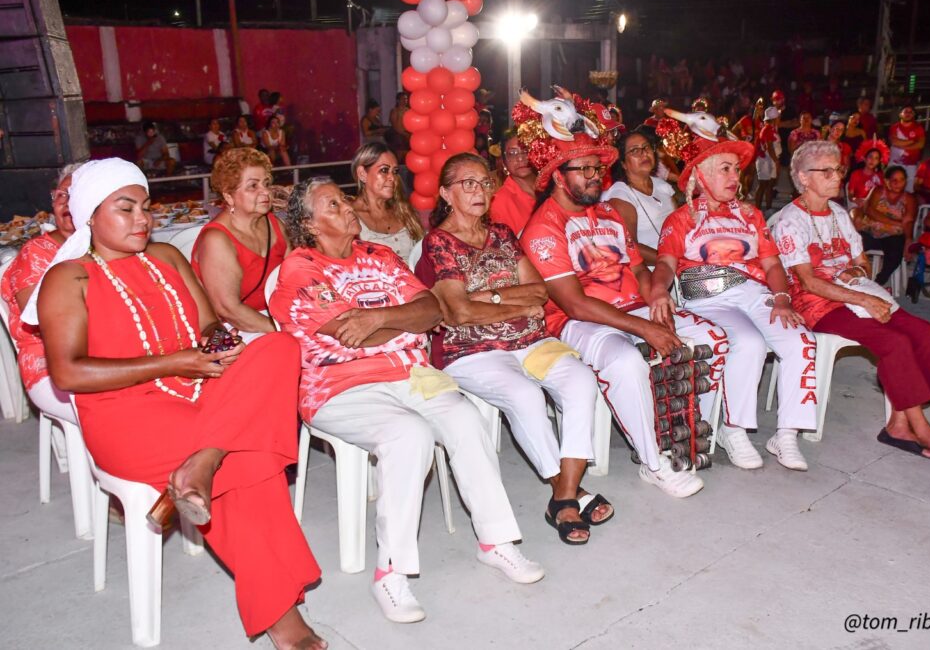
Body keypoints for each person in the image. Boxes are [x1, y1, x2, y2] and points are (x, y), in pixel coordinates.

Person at [27, 158, 326, 647]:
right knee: (253, 462)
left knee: (280, 347)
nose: (142, 219)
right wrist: (175, 363)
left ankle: (203, 461)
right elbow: (68, 372)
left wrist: (217, 343)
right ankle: (281, 616)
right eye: (126, 209)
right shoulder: (69, 278)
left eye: (145, 207)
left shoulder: (166, 256)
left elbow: (208, 323)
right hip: (126, 414)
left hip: (198, 389)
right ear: (89, 216)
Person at [270, 176, 544, 624]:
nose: (346, 208)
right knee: (408, 434)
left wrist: (377, 318)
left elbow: (432, 309)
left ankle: (497, 542)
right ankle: (390, 574)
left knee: (464, 416)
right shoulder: (301, 269)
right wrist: (402, 325)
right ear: (309, 225)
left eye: (343, 200)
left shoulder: (379, 255)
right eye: (333, 205)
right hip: (340, 386)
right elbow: (344, 336)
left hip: (411, 374)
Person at [516, 90, 731, 499]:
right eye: (585, 171)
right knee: (625, 360)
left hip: (631, 308)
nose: (596, 178)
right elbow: (574, 303)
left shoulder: (611, 213)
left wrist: (656, 299)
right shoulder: (544, 227)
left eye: (598, 170)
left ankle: (689, 435)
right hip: (576, 323)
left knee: (714, 338)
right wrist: (643, 327)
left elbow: (637, 268)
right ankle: (652, 462)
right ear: (558, 176)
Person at [417, 153, 610, 546]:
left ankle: (563, 496)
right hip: (472, 350)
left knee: (580, 379)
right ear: (445, 194)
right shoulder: (439, 243)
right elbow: (457, 311)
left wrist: (487, 296)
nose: (479, 190)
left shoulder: (503, 234)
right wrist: (516, 303)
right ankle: (571, 494)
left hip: (530, 340)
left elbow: (540, 290)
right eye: (466, 183)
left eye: (484, 182)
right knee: (524, 395)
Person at [772, 141, 930, 464]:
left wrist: (857, 273)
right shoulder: (790, 220)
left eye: (839, 169)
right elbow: (808, 282)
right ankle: (921, 427)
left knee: (924, 333)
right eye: (828, 171)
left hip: (855, 294)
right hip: (818, 305)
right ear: (804, 178)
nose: (837, 176)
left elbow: (863, 262)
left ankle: (898, 423)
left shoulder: (838, 212)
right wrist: (861, 295)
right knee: (893, 342)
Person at [650, 116, 816, 471]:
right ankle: (734, 429)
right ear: (701, 175)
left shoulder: (752, 215)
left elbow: (773, 265)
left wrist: (783, 299)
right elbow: (664, 264)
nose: (734, 177)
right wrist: (657, 292)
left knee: (801, 340)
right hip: (708, 297)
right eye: (725, 168)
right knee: (749, 343)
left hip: (755, 293)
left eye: (737, 169)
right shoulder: (680, 219)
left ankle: (786, 434)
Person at [1, 163, 84, 469]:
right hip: (50, 366)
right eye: (59, 194)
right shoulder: (37, 253)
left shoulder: (115, 246)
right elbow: (42, 323)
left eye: (74, 194)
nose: (64, 202)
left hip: (106, 358)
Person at [191, 148, 287, 341]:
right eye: (253, 186)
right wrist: (283, 329)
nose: (265, 192)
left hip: (276, 318)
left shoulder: (274, 223)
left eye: (266, 183)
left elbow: (296, 276)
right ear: (228, 196)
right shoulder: (216, 239)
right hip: (234, 329)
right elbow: (228, 309)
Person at [601, 131, 676, 265]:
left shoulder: (663, 186)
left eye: (646, 147)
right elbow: (630, 246)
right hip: (653, 272)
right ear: (623, 163)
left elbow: (681, 226)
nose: (644, 153)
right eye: (635, 150)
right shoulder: (621, 194)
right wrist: (673, 262)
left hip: (679, 264)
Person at [348, 142, 424, 265]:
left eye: (395, 171)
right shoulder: (349, 217)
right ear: (362, 174)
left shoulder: (404, 211)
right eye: (384, 170)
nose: (392, 178)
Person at [856, 166, 916, 286]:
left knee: (895, 254)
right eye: (894, 180)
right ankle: (855, 280)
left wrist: (909, 239)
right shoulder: (878, 191)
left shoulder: (909, 199)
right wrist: (897, 223)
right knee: (855, 248)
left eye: (902, 180)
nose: (898, 184)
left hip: (892, 235)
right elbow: (871, 212)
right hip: (871, 232)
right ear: (887, 181)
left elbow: (908, 221)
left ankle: (878, 283)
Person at [489, 132, 538, 236]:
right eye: (512, 153)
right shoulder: (500, 203)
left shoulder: (553, 185)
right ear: (504, 162)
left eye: (525, 150)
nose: (520, 158)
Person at [887, 105, 926, 192]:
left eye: (910, 112)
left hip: (911, 164)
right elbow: (894, 142)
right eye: (906, 111)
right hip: (895, 162)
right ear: (900, 114)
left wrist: (902, 145)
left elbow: (920, 144)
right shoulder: (894, 127)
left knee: (909, 190)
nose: (908, 114)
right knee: (892, 187)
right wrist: (912, 141)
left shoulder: (918, 128)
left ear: (913, 115)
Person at [847, 139, 888, 214]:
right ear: (865, 158)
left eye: (876, 158)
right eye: (870, 157)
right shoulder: (856, 174)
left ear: (879, 162)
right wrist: (855, 199)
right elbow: (850, 195)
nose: (872, 160)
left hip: (876, 207)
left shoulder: (880, 175)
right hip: (859, 206)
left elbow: (884, 194)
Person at [754, 107, 782, 210]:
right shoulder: (768, 129)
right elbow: (770, 147)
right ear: (774, 118)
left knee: (769, 185)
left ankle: (768, 209)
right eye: (778, 117)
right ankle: (757, 210)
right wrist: (776, 161)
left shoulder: (772, 128)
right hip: (765, 160)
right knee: (763, 185)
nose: (780, 118)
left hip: (770, 159)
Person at [386, 92, 411, 162]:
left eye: (406, 99)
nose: (404, 101)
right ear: (398, 100)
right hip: (398, 135)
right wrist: (404, 134)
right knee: (399, 152)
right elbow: (395, 126)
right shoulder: (395, 111)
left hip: (407, 134)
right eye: (402, 99)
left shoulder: (409, 111)